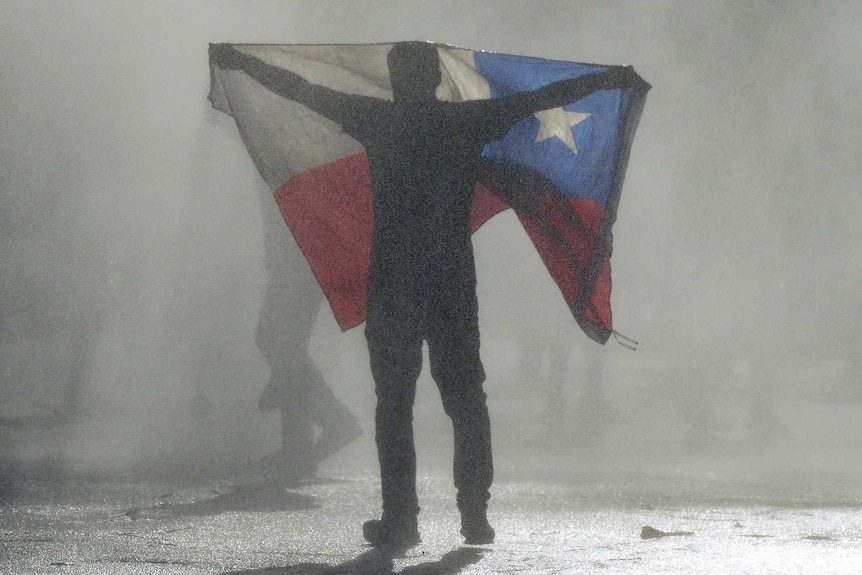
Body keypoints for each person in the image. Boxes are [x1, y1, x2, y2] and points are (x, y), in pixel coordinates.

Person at [211, 41, 634, 547]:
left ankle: (401, 519)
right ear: (435, 78)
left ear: (395, 80)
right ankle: (474, 514)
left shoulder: (378, 119)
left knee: (394, 403)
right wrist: (608, 81)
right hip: (451, 280)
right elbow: (541, 97)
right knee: (465, 400)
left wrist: (243, 62)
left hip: (393, 280)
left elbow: (302, 91)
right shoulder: (465, 122)